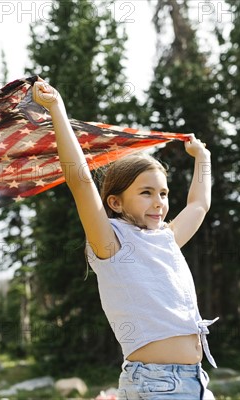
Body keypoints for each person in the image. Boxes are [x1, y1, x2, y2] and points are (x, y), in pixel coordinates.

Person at [33, 78, 217, 400]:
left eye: (163, 193)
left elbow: (198, 204)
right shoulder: (112, 244)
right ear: (115, 202)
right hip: (157, 384)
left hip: (195, 383)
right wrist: (57, 109)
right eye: (145, 193)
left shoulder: (166, 239)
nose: (158, 201)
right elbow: (80, 182)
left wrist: (202, 157)